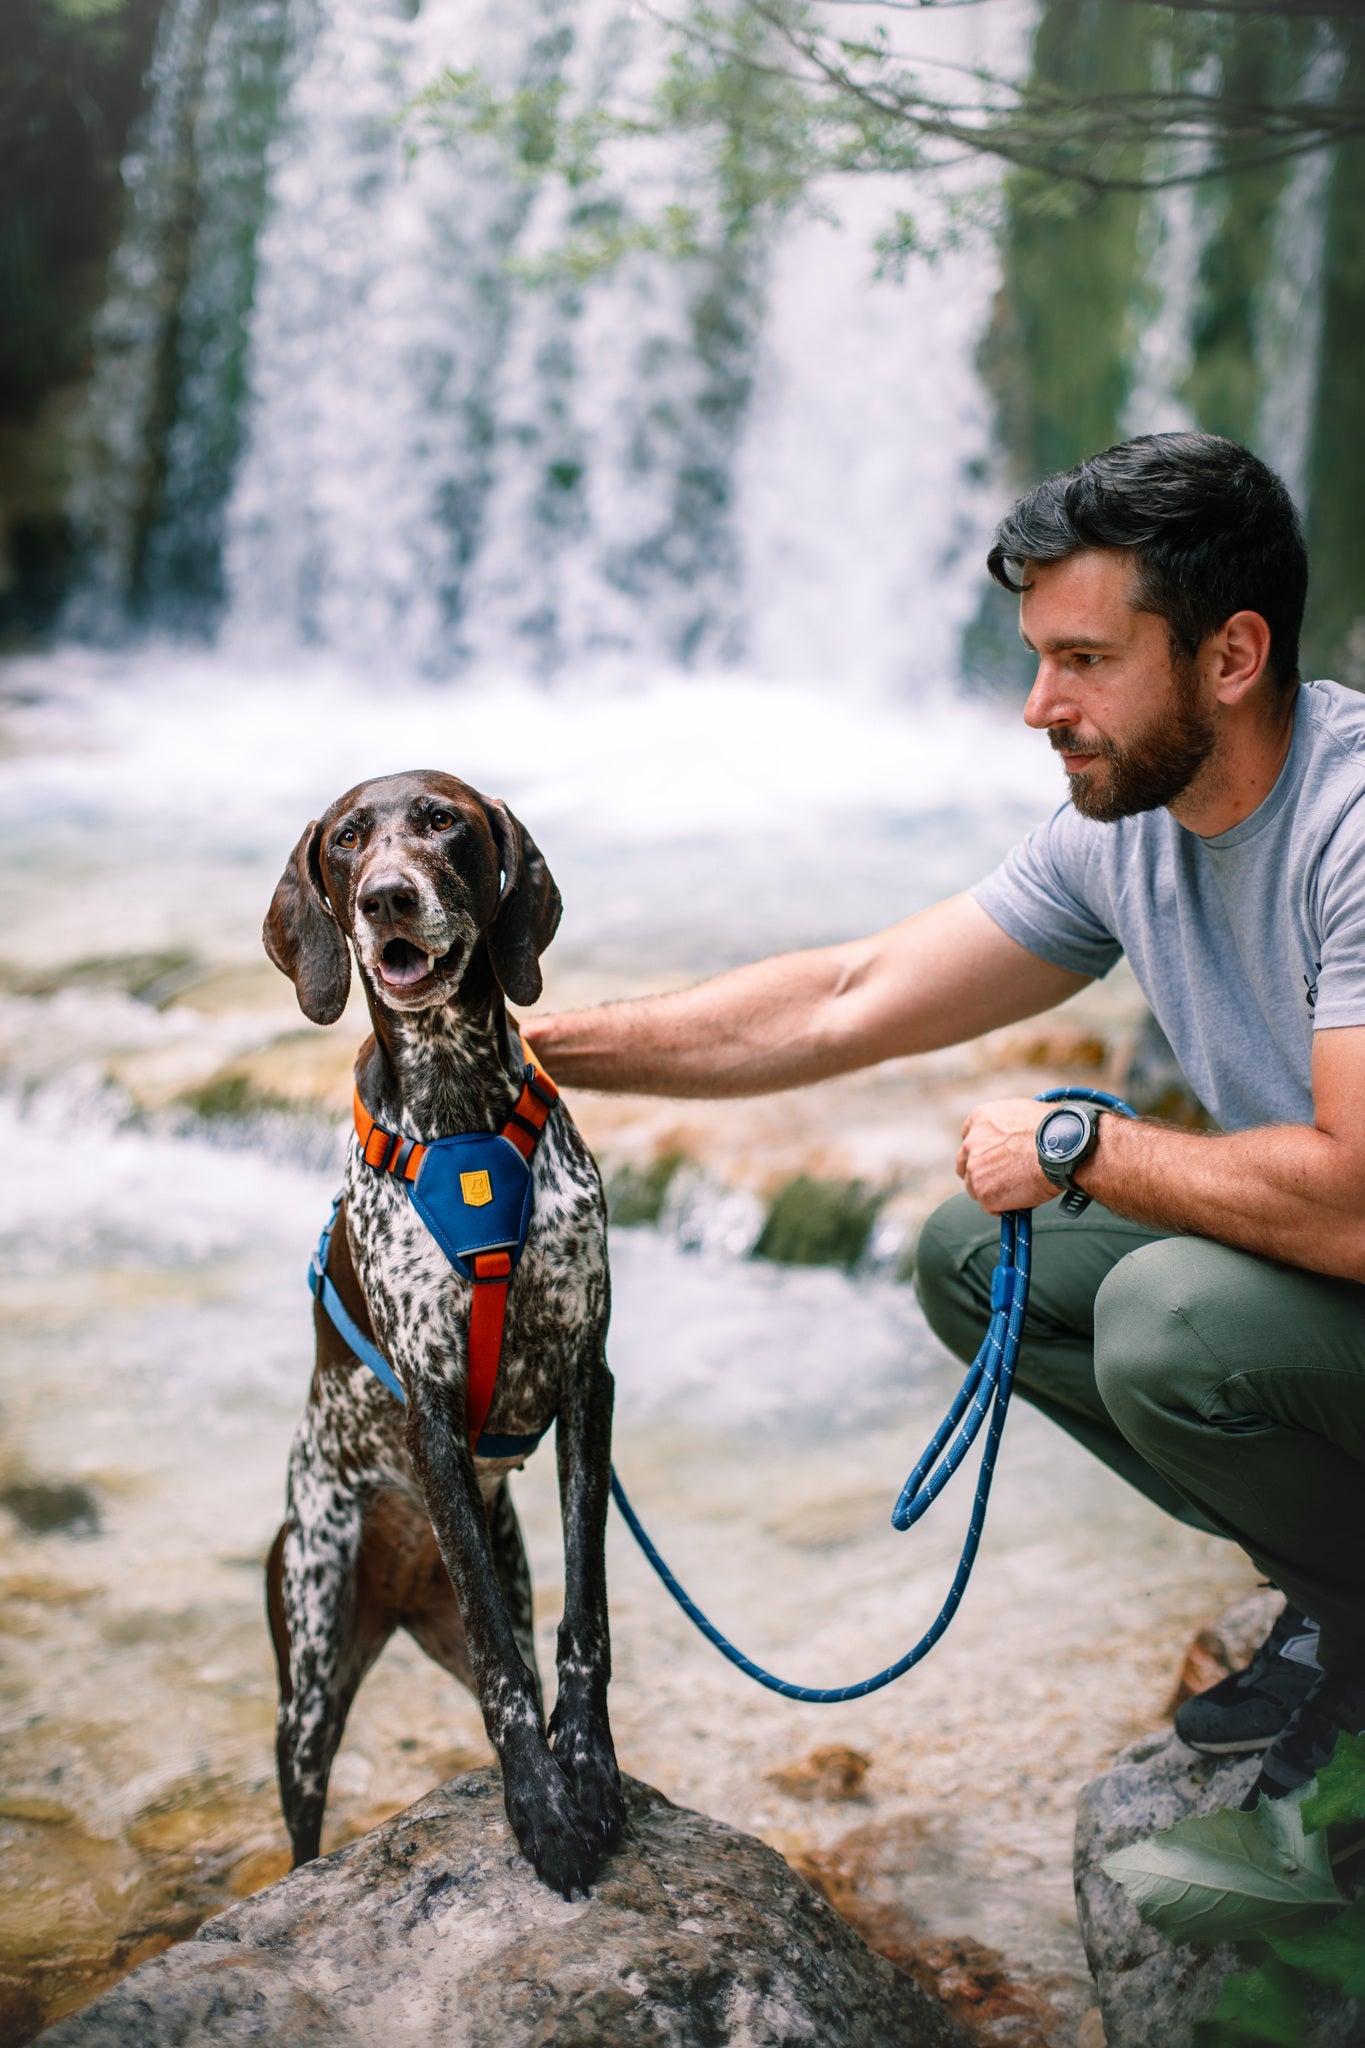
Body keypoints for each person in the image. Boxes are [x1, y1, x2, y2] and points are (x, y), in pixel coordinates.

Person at [529, 432, 1365, 1808]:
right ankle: (1339, 1600)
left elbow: (1347, 1203)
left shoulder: (1346, 819)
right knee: (965, 1257)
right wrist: (536, 1057)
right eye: (1037, 658)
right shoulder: (1123, 827)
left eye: (1084, 660)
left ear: (1229, 657)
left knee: (1164, 1324)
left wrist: (1084, 1146)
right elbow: (844, 999)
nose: (1038, 706)